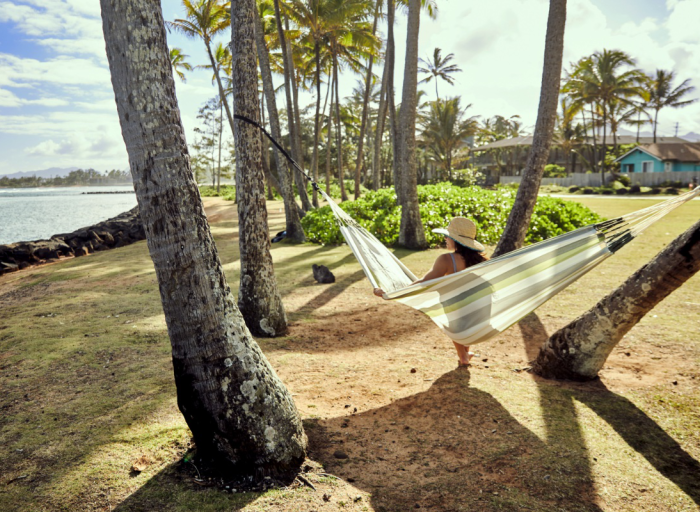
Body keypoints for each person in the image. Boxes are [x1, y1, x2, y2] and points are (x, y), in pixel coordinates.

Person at [373, 217, 489, 367]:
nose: (445, 238)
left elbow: (423, 283)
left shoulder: (446, 260)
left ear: (457, 240)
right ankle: (466, 353)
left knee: (454, 314)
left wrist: (391, 293)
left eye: (448, 236)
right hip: (480, 309)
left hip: (456, 309)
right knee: (463, 316)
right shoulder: (483, 261)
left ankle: (463, 357)